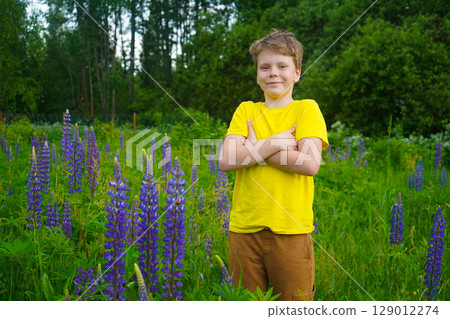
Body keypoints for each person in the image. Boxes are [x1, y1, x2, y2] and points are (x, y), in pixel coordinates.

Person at [218, 29, 329, 301]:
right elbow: (226, 160)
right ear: (257, 75)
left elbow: (309, 163)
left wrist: (254, 148)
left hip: (290, 229)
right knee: (246, 305)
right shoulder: (247, 110)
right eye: (264, 67)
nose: (273, 73)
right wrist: (277, 143)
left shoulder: (306, 109)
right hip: (244, 229)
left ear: (297, 73)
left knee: (293, 304)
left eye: (282, 66)